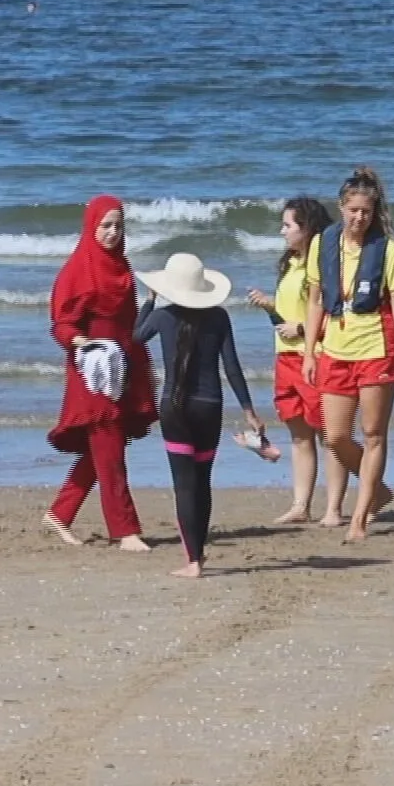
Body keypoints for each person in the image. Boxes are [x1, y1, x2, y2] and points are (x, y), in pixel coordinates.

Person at [136, 253, 268, 578]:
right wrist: (249, 410)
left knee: (183, 485)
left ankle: (192, 561)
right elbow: (232, 367)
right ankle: (200, 556)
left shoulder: (162, 317)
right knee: (203, 481)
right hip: (210, 407)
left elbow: (134, 338)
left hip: (175, 407)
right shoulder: (219, 318)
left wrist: (148, 303)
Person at [45, 195, 158, 553]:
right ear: (91, 226)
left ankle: (60, 513)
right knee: (109, 450)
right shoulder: (77, 269)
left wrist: (153, 303)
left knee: (105, 449)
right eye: (105, 225)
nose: (112, 232)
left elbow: (130, 324)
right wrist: (83, 343)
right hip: (92, 369)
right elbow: (61, 324)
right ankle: (125, 531)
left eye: (118, 226)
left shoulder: (122, 267)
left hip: (123, 367)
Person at [303, 167, 394, 542]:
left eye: (366, 211)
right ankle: (375, 488)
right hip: (335, 347)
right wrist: (310, 351)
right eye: (353, 211)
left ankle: (359, 518)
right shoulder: (322, 243)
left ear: (374, 211)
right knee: (334, 437)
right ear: (341, 207)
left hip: (377, 349)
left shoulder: (390, 250)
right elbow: (315, 301)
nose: (359, 218)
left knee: (373, 433)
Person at [246, 196, 332, 525]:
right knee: (299, 435)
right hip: (285, 356)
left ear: (307, 228)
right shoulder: (291, 263)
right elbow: (287, 320)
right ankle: (301, 505)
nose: (282, 231)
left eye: (288, 225)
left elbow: (332, 313)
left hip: (314, 357)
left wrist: (303, 328)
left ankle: (334, 507)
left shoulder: (322, 264)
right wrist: (270, 307)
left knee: (328, 434)